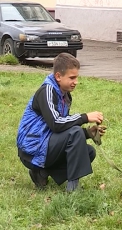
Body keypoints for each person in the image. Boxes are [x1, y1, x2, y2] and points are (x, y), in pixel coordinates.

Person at [16, 52, 105, 192]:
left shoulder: (65, 95)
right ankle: (73, 188)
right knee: (75, 132)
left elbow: (64, 129)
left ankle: (41, 173)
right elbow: (56, 124)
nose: (76, 81)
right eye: (72, 77)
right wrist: (85, 117)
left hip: (46, 145)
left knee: (88, 152)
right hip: (31, 151)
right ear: (58, 76)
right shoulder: (47, 91)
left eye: (77, 77)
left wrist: (87, 133)